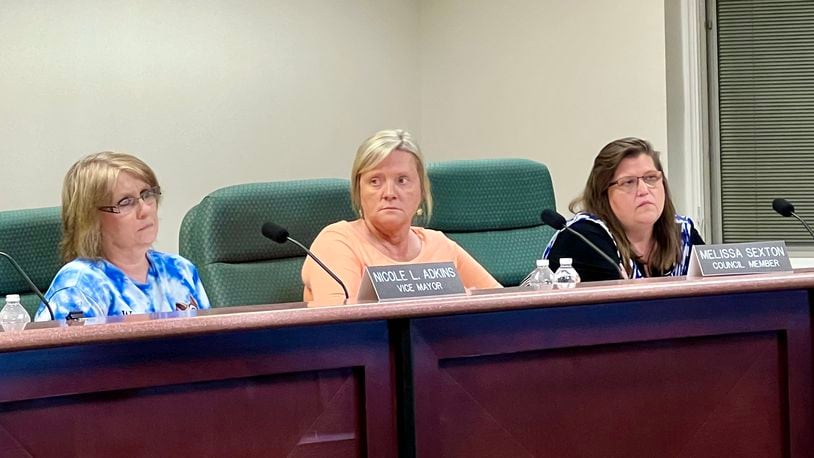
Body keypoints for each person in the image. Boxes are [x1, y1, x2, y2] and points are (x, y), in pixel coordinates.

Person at [302, 129, 501, 304]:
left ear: (422, 191)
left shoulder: (439, 244)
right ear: (358, 191)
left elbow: (503, 302)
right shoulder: (337, 241)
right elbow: (342, 322)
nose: (389, 192)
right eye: (375, 181)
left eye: (402, 180)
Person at [34, 152, 210, 320]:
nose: (145, 210)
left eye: (147, 195)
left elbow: (212, 344)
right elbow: (71, 352)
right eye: (125, 202)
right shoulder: (79, 286)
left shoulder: (180, 270)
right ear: (90, 218)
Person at [543, 137, 704, 282]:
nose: (644, 190)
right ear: (603, 194)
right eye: (628, 182)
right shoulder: (584, 238)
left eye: (651, 178)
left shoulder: (683, 232)